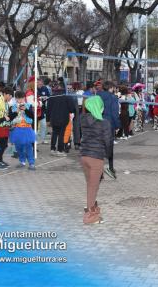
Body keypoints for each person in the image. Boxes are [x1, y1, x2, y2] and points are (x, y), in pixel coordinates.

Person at [80, 96, 114, 224]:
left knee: (90, 183)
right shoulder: (104, 123)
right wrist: (109, 155)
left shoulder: (83, 119)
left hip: (84, 156)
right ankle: (90, 216)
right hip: (96, 158)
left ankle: (92, 207)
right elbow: (108, 142)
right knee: (93, 186)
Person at [97, 81, 121, 179]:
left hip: (98, 123)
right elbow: (114, 113)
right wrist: (117, 126)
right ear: (111, 88)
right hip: (109, 124)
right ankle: (110, 168)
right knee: (109, 147)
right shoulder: (113, 98)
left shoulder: (97, 96)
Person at [46, 84, 77, 156]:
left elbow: (48, 109)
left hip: (53, 118)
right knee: (61, 134)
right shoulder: (67, 96)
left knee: (54, 133)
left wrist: (48, 119)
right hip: (63, 118)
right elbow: (72, 108)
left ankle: (52, 149)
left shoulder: (52, 96)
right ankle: (60, 150)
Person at [9, 91, 37, 170]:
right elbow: (10, 117)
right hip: (17, 129)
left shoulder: (28, 105)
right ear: (16, 99)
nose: (20, 100)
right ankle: (22, 161)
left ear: (24, 98)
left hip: (27, 128)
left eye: (21, 98)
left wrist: (26, 110)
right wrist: (16, 111)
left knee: (28, 146)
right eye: (18, 99)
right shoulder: (13, 106)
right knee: (18, 146)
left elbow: (32, 116)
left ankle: (31, 163)